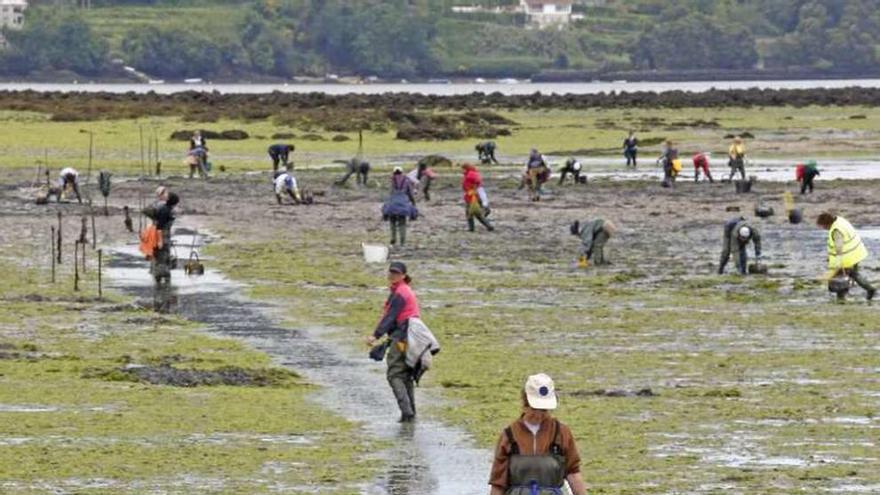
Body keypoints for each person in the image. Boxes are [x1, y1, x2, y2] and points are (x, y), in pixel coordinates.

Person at [488, 373, 587, 495]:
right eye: (535, 409)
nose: (539, 415)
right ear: (525, 404)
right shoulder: (509, 435)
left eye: (544, 410)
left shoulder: (561, 433)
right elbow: (498, 483)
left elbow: (573, 473)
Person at [366, 262, 421, 422]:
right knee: (405, 374)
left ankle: (407, 411)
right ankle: (411, 412)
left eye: (396, 273)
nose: (393, 275)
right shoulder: (403, 290)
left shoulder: (400, 293)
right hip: (410, 336)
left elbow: (390, 318)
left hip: (402, 338)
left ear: (403, 275)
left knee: (394, 374)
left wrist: (375, 336)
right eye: (391, 272)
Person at [817, 212, 875, 300]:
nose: (823, 228)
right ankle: (869, 289)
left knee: (841, 277)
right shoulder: (840, 221)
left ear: (826, 224)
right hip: (856, 252)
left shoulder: (836, 231)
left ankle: (841, 298)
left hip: (847, 258)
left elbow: (839, 248)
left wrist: (838, 263)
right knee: (854, 275)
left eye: (822, 226)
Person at [142, 192, 179, 287]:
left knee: (159, 259)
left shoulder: (163, 210)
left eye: (166, 195)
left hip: (160, 237)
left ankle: (159, 284)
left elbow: (159, 227)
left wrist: (159, 241)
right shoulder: (168, 210)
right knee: (164, 259)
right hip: (165, 237)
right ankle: (166, 284)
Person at [382, 167, 418, 247]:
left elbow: (389, 193)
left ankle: (393, 239)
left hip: (392, 204)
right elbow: (411, 194)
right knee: (402, 223)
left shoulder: (391, 181)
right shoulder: (407, 181)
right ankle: (402, 242)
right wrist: (413, 203)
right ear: (402, 172)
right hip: (403, 205)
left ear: (394, 173)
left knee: (392, 222)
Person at [462, 163, 494, 232]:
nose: (462, 171)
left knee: (470, 213)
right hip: (472, 195)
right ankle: (488, 226)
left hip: (472, 196)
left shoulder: (470, 174)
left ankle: (472, 228)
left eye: (463, 169)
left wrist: (474, 188)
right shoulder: (472, 173)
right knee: (476, 213)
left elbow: (477, 181)